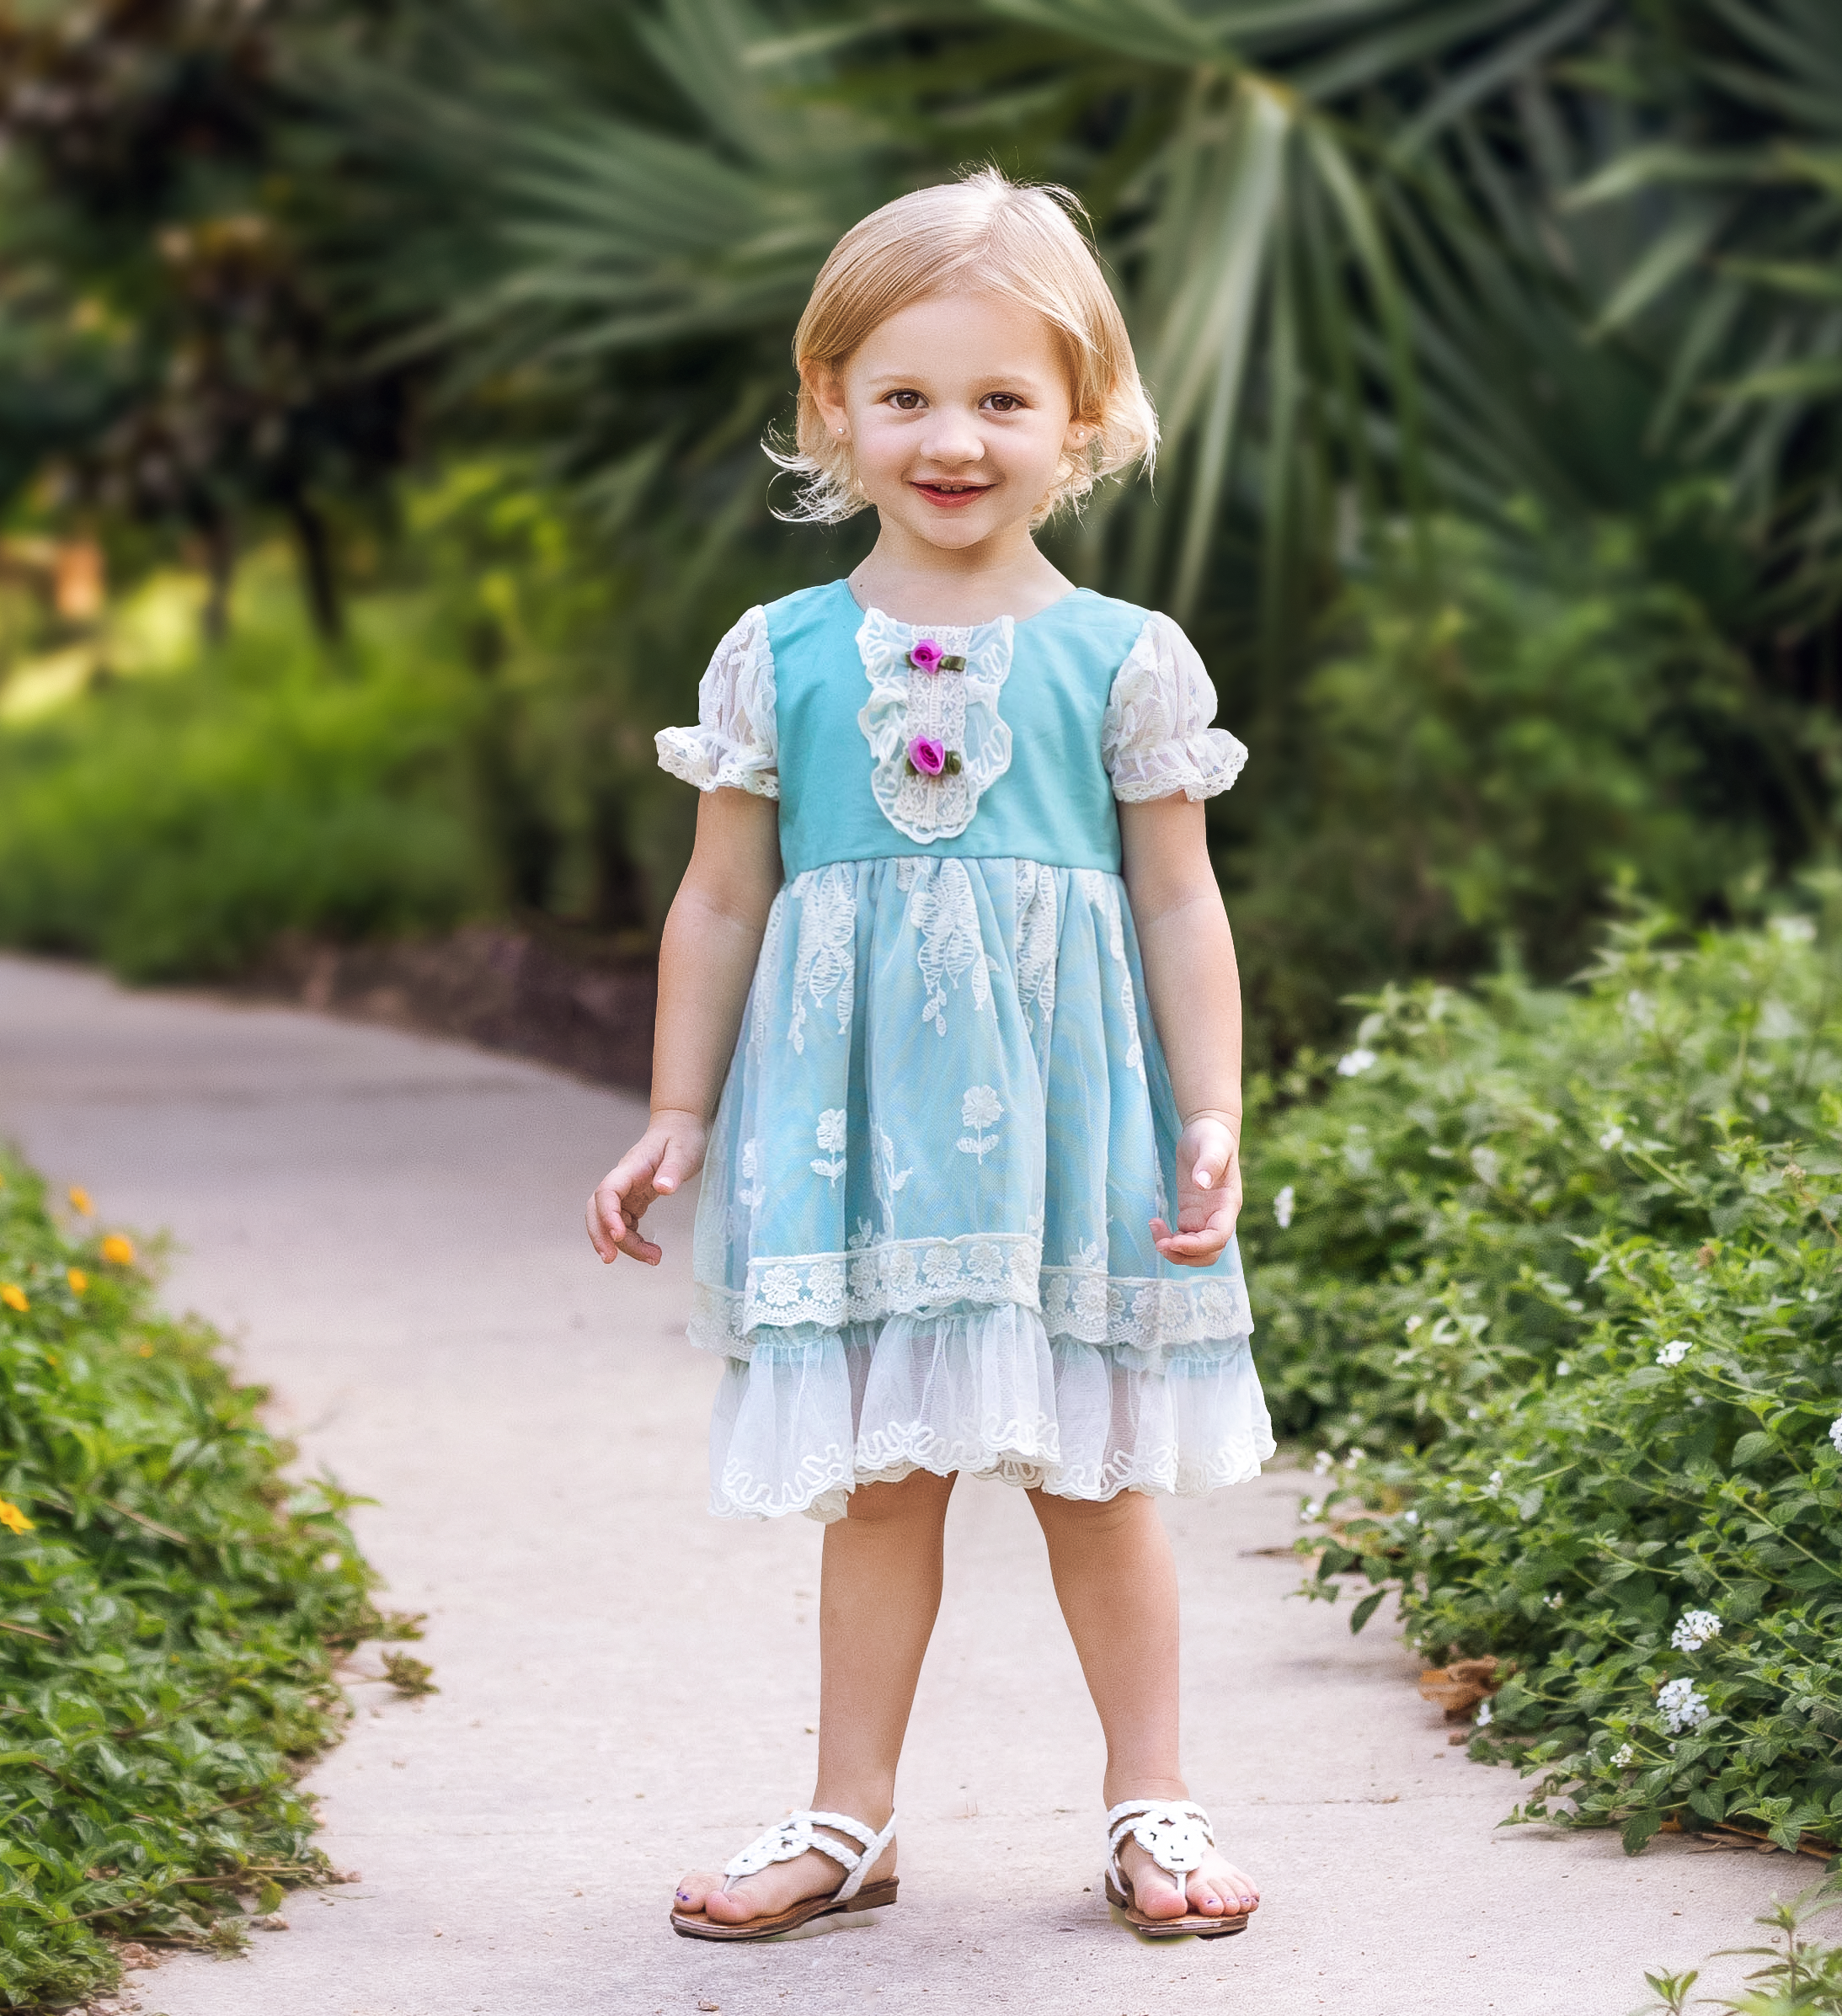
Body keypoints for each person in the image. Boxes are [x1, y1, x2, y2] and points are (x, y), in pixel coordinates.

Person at [585, 167, 1273, 1944]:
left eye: (1000, 397)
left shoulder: (1125, 661)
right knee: (881, 1482)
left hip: (1072, 1142)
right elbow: (724, 904)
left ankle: (1153, 1805)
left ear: (1084, 420)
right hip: (860, 1144)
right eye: (904, 395)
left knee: (1096, 1479)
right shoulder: (780, 658)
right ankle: (848, 1817)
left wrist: (1213, 1115)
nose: (950, 436)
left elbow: (1182, 911)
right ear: (833, 408)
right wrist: (678, 1111)